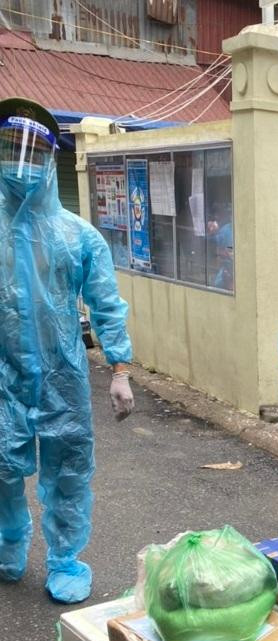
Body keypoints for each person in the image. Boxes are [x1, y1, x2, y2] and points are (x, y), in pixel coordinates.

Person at [0, 97, 134, 604]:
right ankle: (9, 541)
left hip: (62, 377)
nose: (21, 161)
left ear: (50, 159)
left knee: (69, 470)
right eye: (10, 147)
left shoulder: (79, 236)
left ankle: (64, 558)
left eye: (33, 151)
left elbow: (106, 305)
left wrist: (120, 369)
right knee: (1, 468)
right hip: (2, 376)